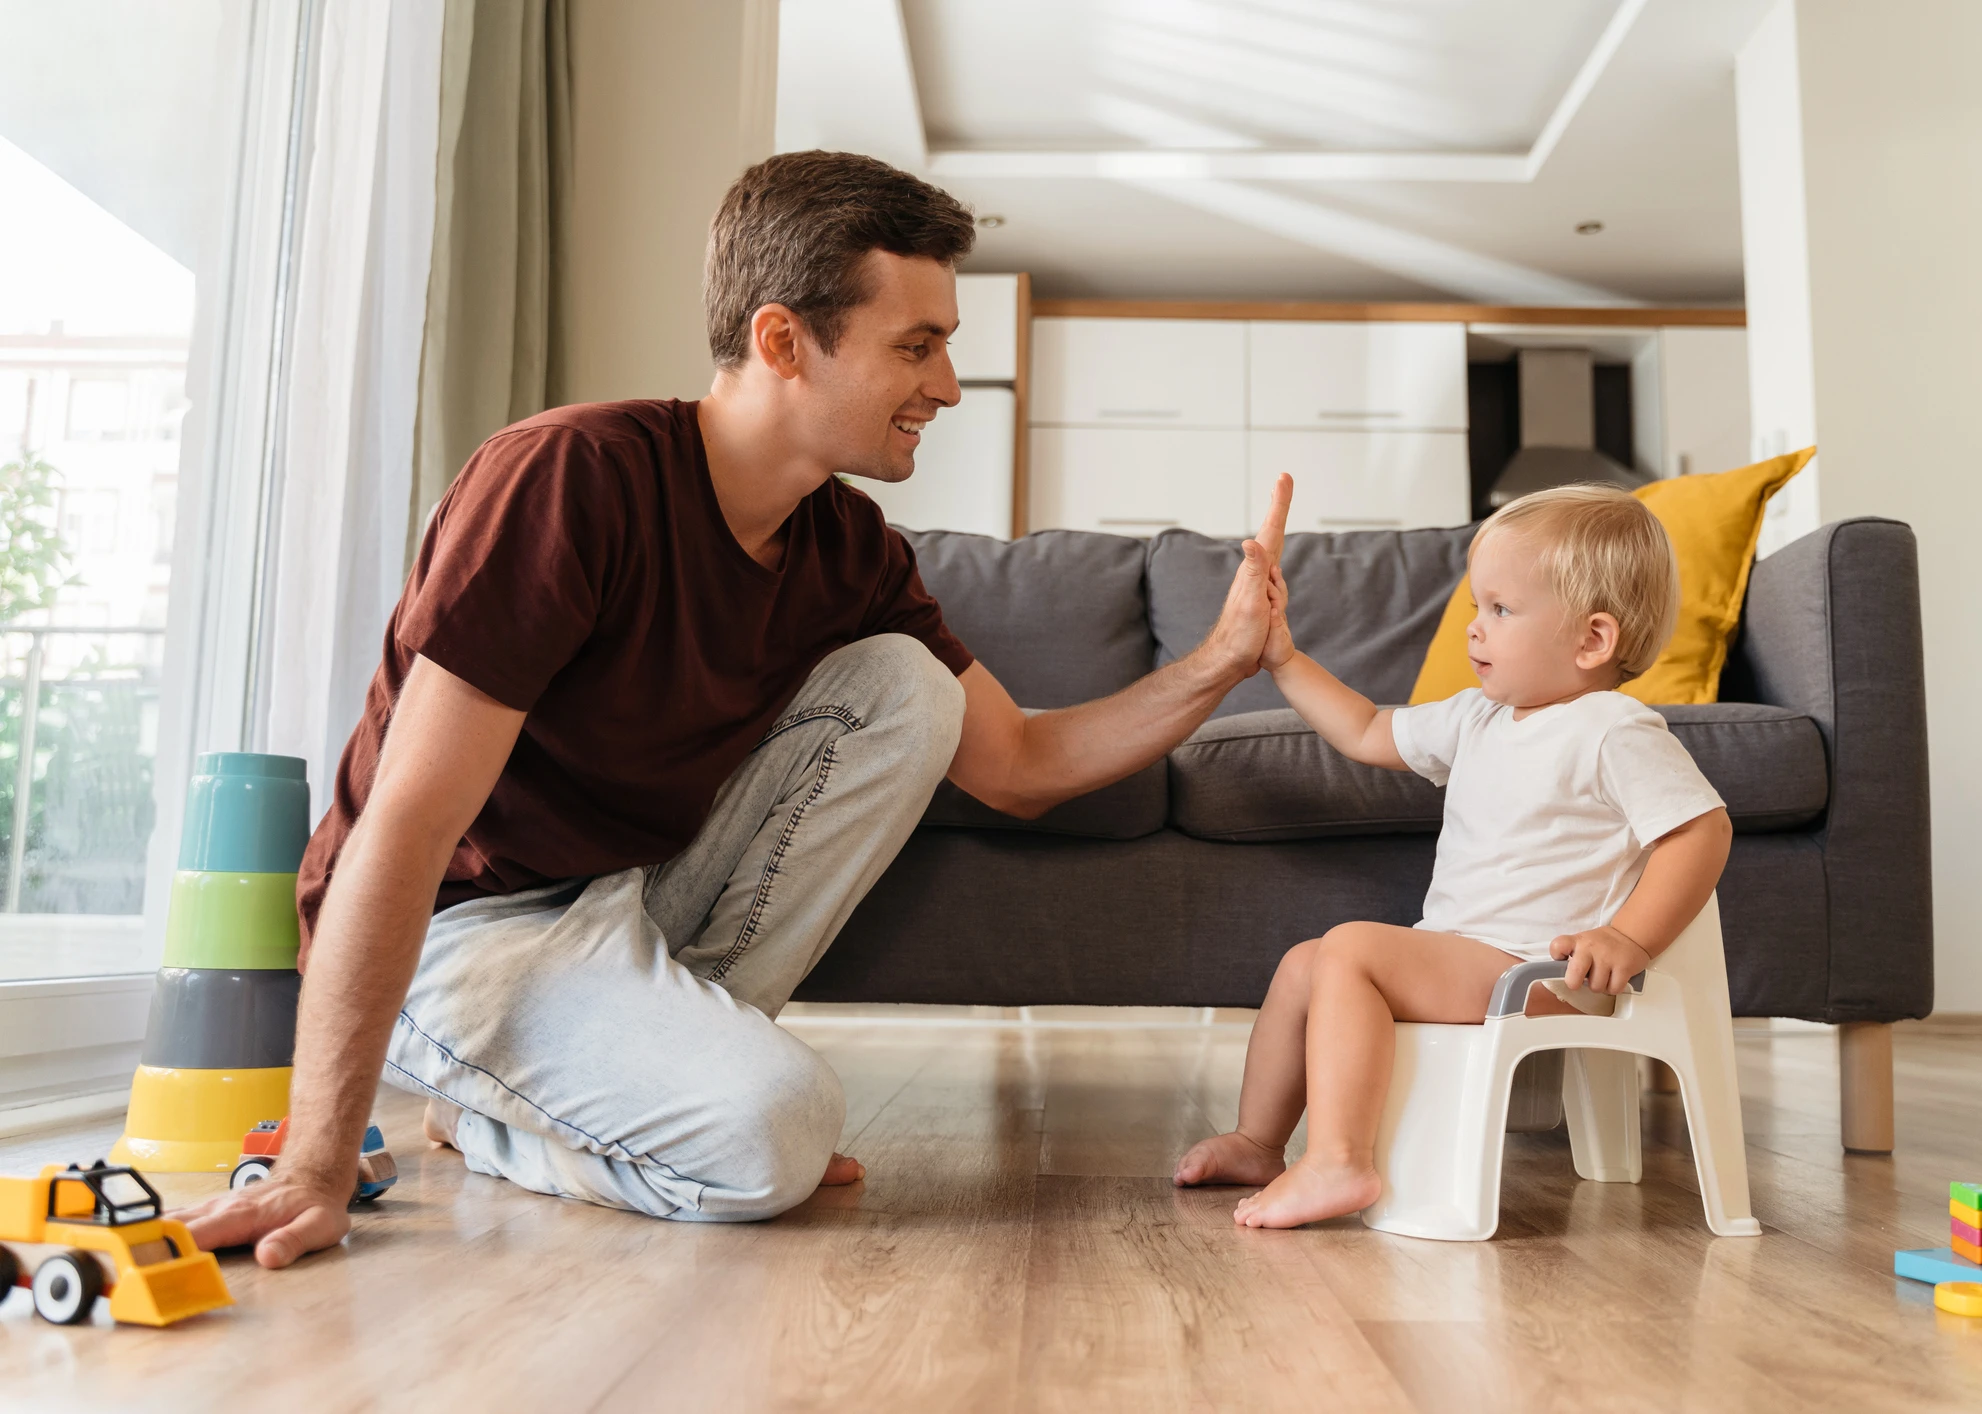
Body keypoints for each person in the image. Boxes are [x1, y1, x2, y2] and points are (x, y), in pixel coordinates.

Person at [179, 150, 1293, 1267]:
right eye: (918, 345)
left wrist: (1219, 661)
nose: (948, 385)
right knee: (778, 1129)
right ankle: (523, 1112)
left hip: (629, 903)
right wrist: (314, 1164)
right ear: (781, 342)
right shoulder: (567, 480)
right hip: (463, 934)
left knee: (906, 688)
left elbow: (1019, 763)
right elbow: (408, 825)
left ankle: (588, 1101)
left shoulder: (849, 548)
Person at [1173, 483, 1732, 1228]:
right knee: (1306, 962)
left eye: (1499, 610)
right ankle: (1257, 1141)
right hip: (1469, 956)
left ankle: (1339, 1160)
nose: (1475, 629)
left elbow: (1700, 830)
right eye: (1476, 607)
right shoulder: (1481, 715)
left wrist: (1628, 937)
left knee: (1349, 950)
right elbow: (1367, 730)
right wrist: (1282, 657)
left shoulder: (1611, 729)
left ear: (1591, 640)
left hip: (1544, 972)